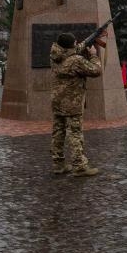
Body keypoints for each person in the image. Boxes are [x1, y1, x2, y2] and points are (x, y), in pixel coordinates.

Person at [50, 32, 103, 177]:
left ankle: (58, 164)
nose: (77, 44)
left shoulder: (55, 56)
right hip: (72, 103)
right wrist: (93, 54)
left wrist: (85, 42)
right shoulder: (76, 61)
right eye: (75, 42)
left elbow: (73, 51)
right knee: (75, 134)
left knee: (58, 132)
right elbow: (96, 70)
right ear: (71, 45)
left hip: (57, 101)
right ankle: (79, 167)